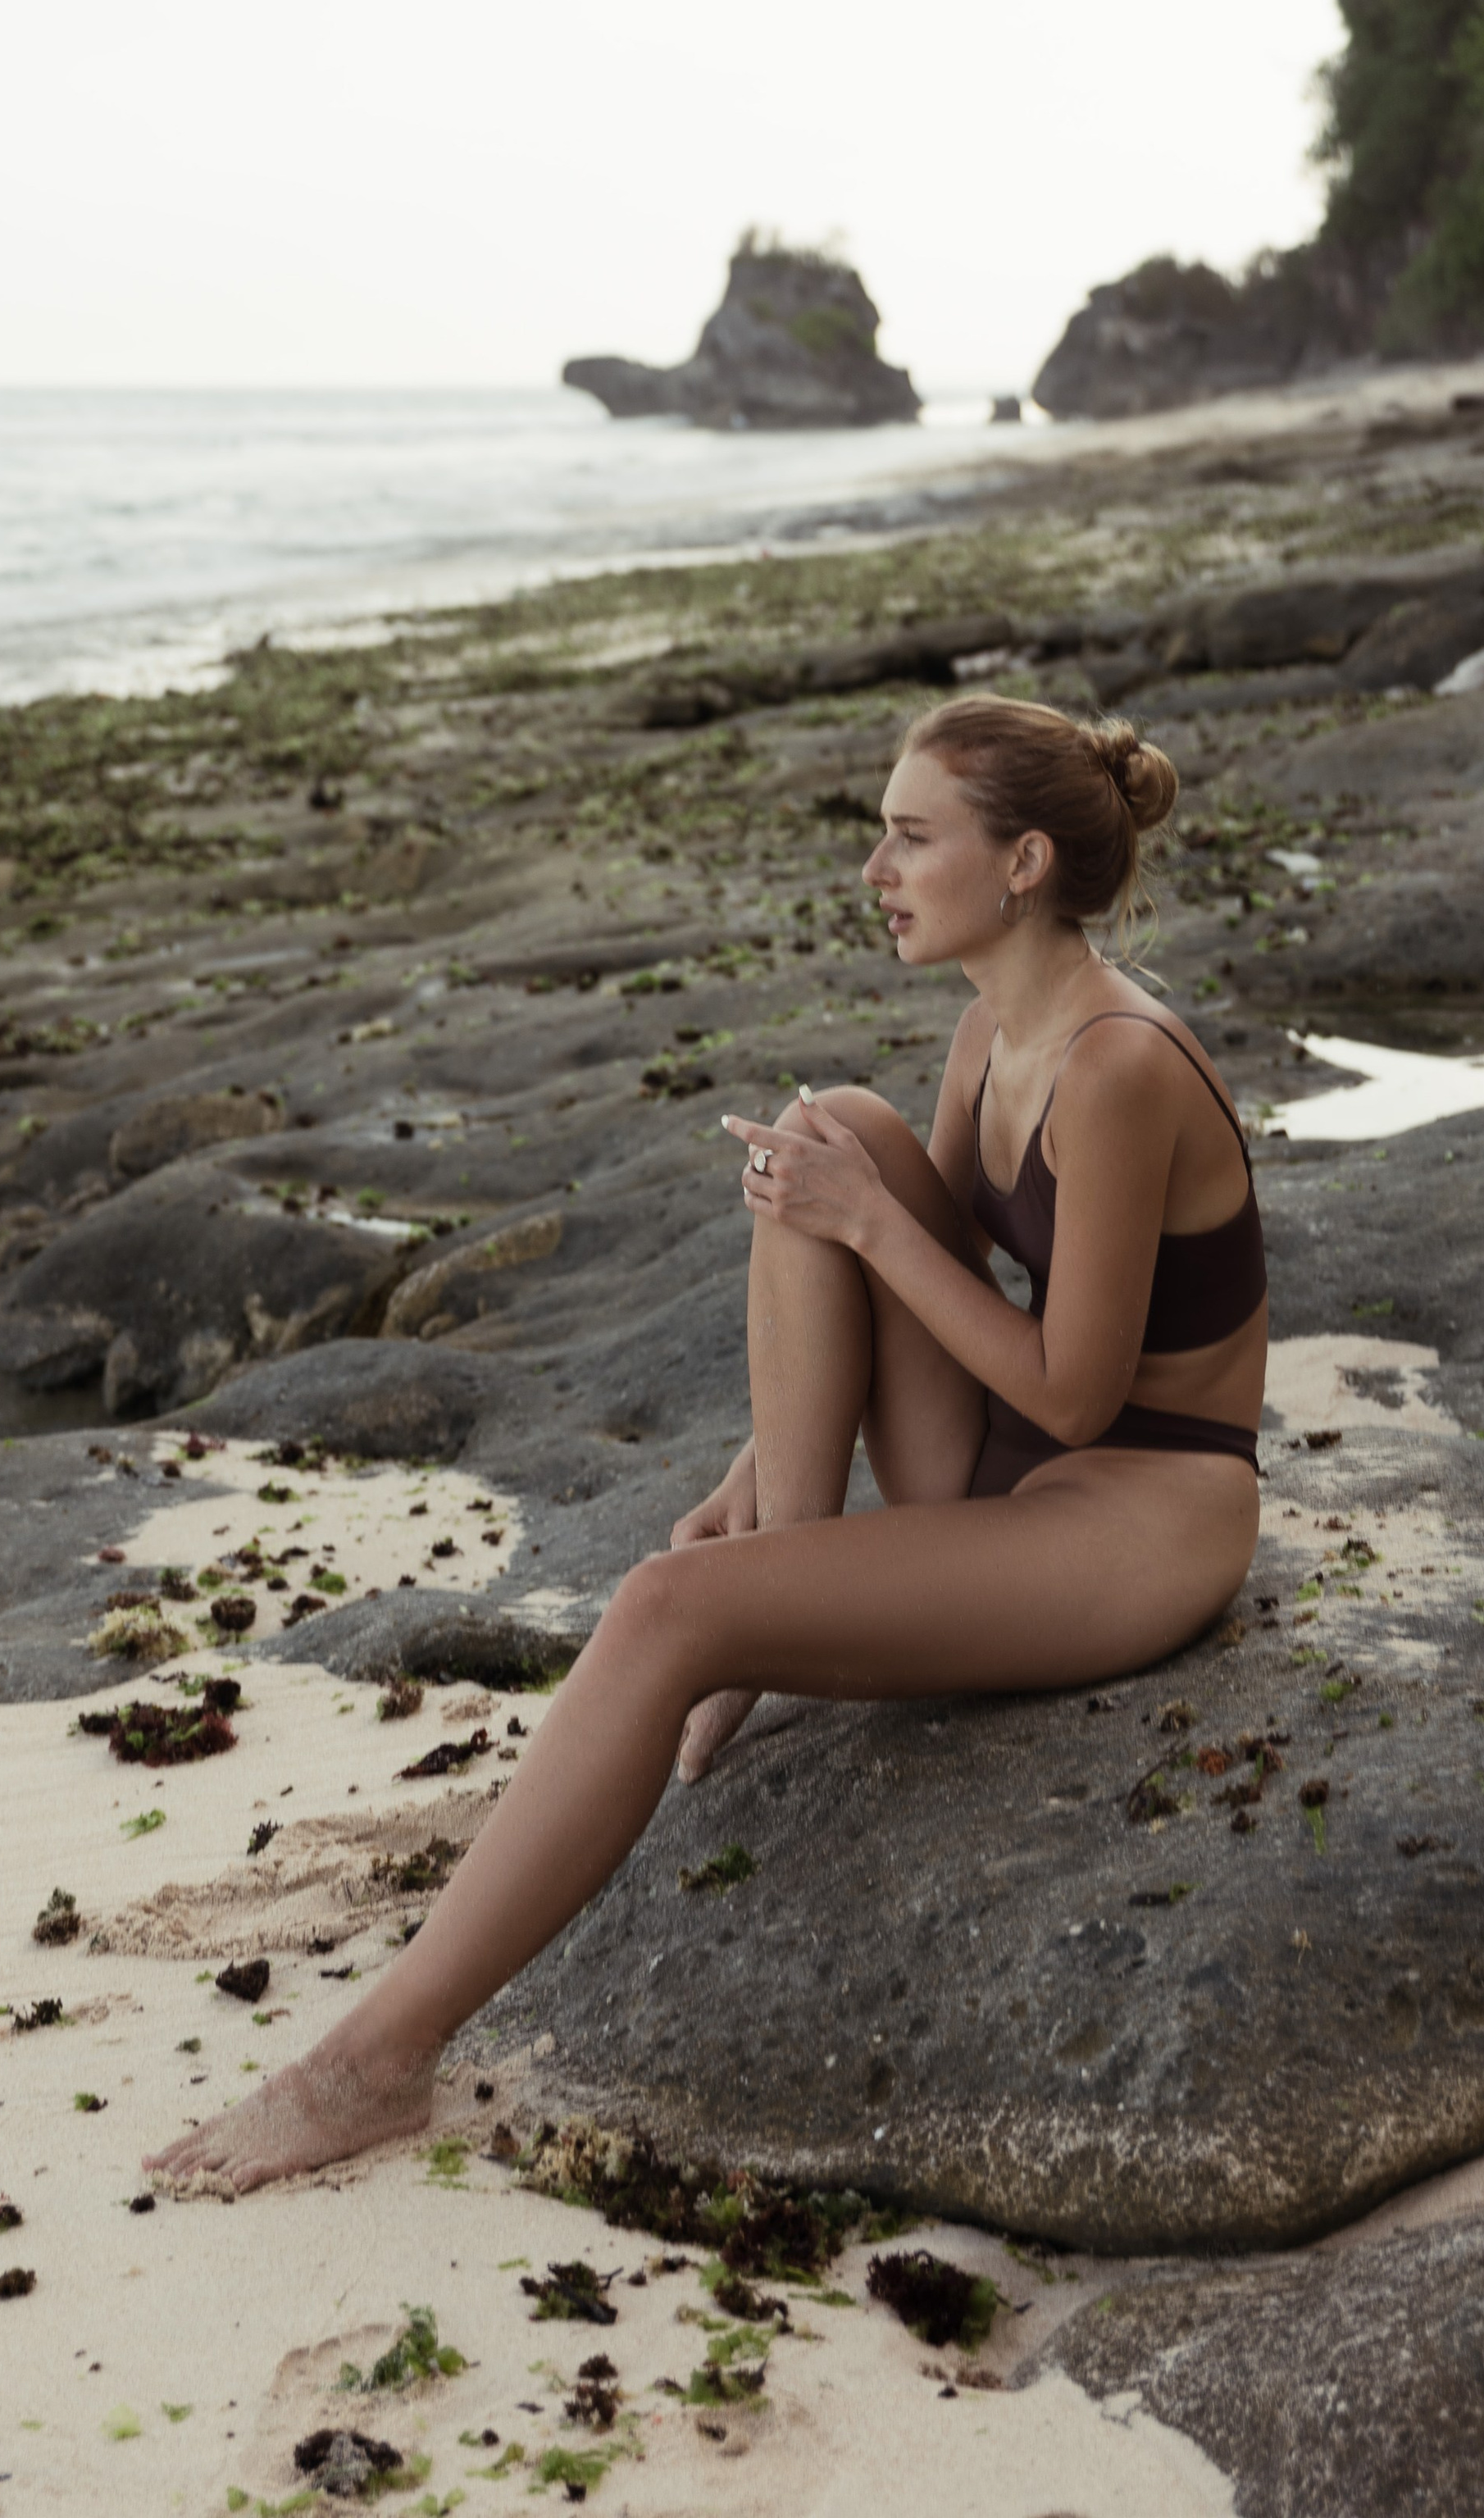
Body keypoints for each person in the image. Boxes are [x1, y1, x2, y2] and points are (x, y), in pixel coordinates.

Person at [145, 695, 1266, 2195]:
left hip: (1142, 1517)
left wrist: (863, 1221)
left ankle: (372, 2067)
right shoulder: (990, 1031)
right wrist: (764, 1448)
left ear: (1023, 863)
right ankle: (779, 1580)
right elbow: (908, 1288)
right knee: (826, 1129)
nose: (875, 868)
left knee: (666, 1604)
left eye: (911, 836)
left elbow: (1074, 1393)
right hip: (1017, 1467)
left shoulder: (1117, 1065)